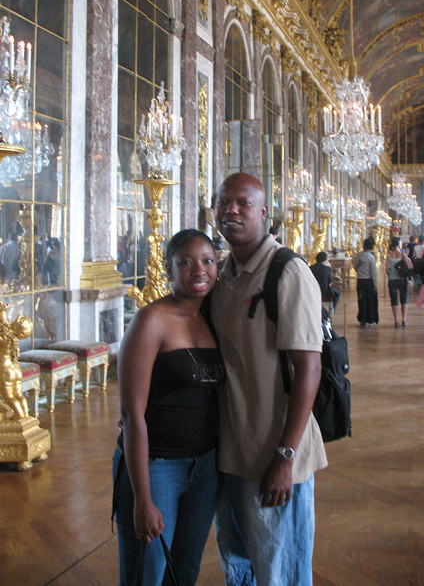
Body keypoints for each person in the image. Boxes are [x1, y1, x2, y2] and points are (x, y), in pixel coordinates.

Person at [211, 173, 326, 584]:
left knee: (280, 568)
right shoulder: (221, 274)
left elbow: (309, 367)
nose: (231, 210)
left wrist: (285, 457)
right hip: (231, 450)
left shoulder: (287, 272)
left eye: (243, 203)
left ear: (264, 212)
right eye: (224, 202)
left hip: (274, 451)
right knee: (238, 560)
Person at [114, 229, 224, 585]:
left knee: (185, 569)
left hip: (205, 467)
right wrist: (142, 498)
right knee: (148, 571)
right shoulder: (151, 320)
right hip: (157, 466)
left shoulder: (211, 317)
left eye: (207, 261)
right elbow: (132, 415)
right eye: (186, 263)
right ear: (169, 269)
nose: (199, 271)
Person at [385, 236, 412, 327]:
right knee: (403, 299)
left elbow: (386, 270)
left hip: (392, 279)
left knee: (394, 300)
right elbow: (409, 267)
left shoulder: (389, 255)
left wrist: (391, 274)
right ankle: (404, 320)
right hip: (402, 279)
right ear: (399, 244)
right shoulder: (403, 255)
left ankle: (396, 321)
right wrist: (409, 260)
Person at [353, 237, 379, 327]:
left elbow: (355, 267)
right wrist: (375, 284)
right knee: (370, 301)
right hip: (369, 281)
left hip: (360, 281)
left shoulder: (359, 256)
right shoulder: (371, 257)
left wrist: (360, 272)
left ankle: (362, 320)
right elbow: (373, 272)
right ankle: (370, 320)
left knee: (361, 300)